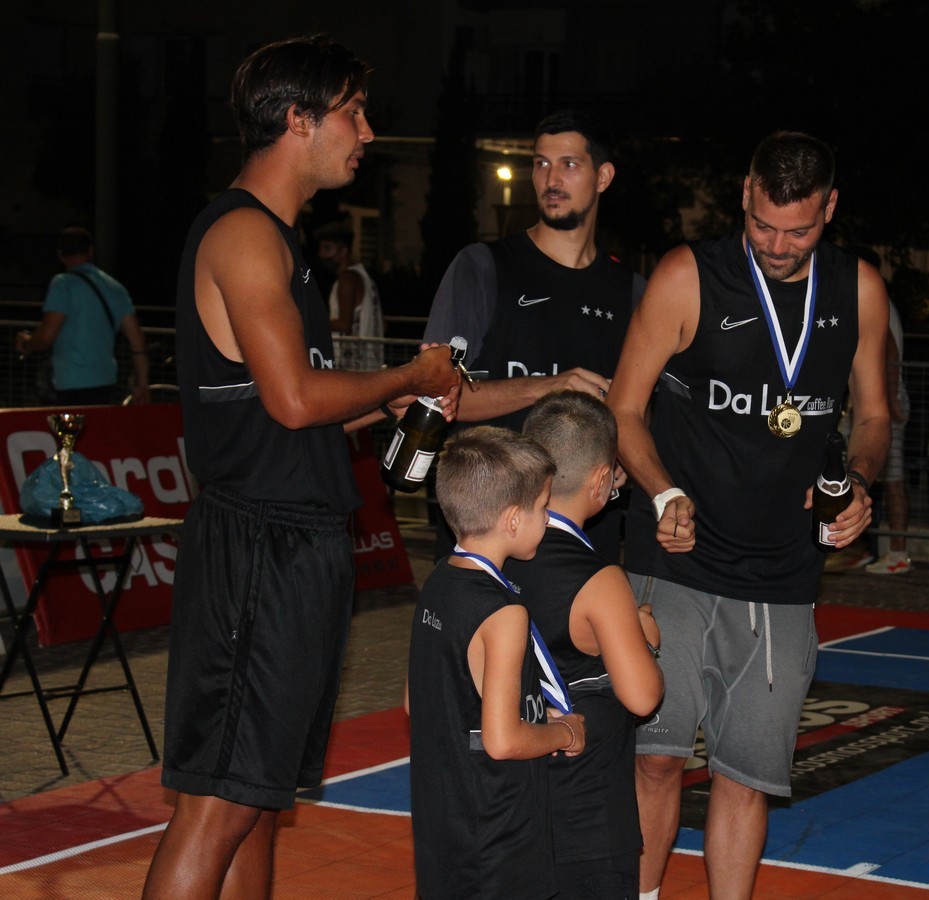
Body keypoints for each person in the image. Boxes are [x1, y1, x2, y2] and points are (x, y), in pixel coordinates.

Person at [143, 36, 461, 898]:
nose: (368, 132)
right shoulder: (246, 234)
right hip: (258, 545)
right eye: (354, 112)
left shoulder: (277, 240)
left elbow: (292, 407)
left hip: (290, 543)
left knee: (257, 797)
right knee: (219, 804)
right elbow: (291, 400)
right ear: (298, 119)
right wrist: (408, 376)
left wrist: (390, 403)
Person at [607, 130, 890, 899]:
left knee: (745, 777)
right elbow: (623, 409)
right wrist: (662, 492)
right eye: (764, 225)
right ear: (744, 195)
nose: (777, 245)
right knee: (656, 758)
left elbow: (873, 417)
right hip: (674, 557)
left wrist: (858, 483)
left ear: (829, 209)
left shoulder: (858, 289)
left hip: (784, 571)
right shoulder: (687, 276)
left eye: (798, 231)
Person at [423, 109, 644, 563]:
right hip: (491, 536)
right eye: (541, 163)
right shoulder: (482, 266)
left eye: (569, 164)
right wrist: (546, 386)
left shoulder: (632, 292)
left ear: (603, 177)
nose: (551, 179)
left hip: (583, 542)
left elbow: (636, 411)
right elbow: (436, 396)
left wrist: (623, 456)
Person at [407, 426, 587, 899]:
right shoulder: (504, 612)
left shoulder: (438, 581)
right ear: (512, 519)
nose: (547, 519)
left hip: (443, 819)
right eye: (543, 507)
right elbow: (503, 741)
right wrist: (564, 733)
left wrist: (533, 714)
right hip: (496, 828)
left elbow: (416, 700)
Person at [505, 390, 665, 899]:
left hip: (498, 807)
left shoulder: (481, 556)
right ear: (600, 482)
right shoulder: (599, 580)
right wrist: (646, 639)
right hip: (585, 816)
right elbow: (642, 696)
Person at [16, 226, 150, 405]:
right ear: (90, 251)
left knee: (68, 424)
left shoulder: (62, 284)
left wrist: (27, 343)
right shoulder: (115, 288)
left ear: (60, 255)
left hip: (69, 384)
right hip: (106, 382)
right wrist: (142, 385)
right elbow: (137, 341)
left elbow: (46, 337)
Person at [865, 290, 915, 574]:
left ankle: (898, 553)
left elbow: (890, 350)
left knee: (893, 478)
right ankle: (861, 548)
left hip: (883, 399)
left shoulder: (874, 296)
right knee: (856, 473)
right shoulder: (877, 296)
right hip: (873, 399)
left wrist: (893, 397)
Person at [314, 219, 385, 371]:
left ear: (343, 250)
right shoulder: (363, 276)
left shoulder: (347, 279)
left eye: (327, 248)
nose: (322, 254)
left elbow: (344, 324)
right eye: (321, 248)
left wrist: (311, 322)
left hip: (354, 363)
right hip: (366, 362)